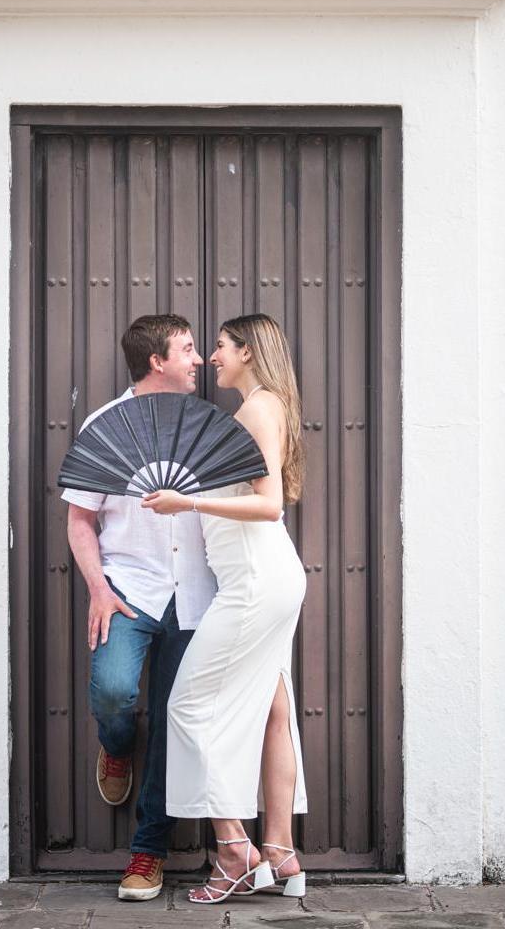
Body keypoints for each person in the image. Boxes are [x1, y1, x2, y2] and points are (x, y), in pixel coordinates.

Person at [140, 313, 309, 904]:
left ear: (248, 351)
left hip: (255, 579)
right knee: (270, 708)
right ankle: (282, 851)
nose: (213, 357)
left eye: (220, 346)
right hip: (264, 575)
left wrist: (186, 502)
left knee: (188, 705)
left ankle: (235, 850)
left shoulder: (259, 408)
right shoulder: (261, 407)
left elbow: (268, 506)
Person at [61, 314, 217, 902]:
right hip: (128, 588)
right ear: (158, 361)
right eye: (188, 349)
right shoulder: (104, 426)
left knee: (175, 724)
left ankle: (147, 853)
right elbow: (79, 518)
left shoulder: (205, 425)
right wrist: (100, 590)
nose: (198, 359)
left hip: (196, 595)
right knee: (115, 692)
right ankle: (117, 744)